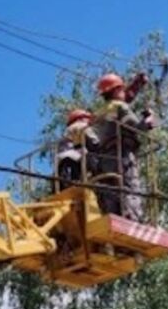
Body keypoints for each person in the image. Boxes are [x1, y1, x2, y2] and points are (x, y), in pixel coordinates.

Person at [92, 71, 156, 220]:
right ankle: (132, 218)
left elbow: (128, 96)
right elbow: (137, 127)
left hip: (104, 158)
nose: (123, 91)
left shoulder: (99, 113)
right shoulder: (120, 107)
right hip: (123, 155)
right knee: (130, 187)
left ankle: (113, 217)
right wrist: (150, 118)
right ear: (116, 91)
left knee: (111, 189)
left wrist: (137, 84)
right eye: (121, 88)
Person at [55, 108, 98, 190]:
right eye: (87, 118)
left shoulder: (67, 130)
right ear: (80, 118)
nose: (89, 121)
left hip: (64, 158)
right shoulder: (82, 126)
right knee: (95, 161)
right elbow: (94, 141)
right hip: (76, 155)